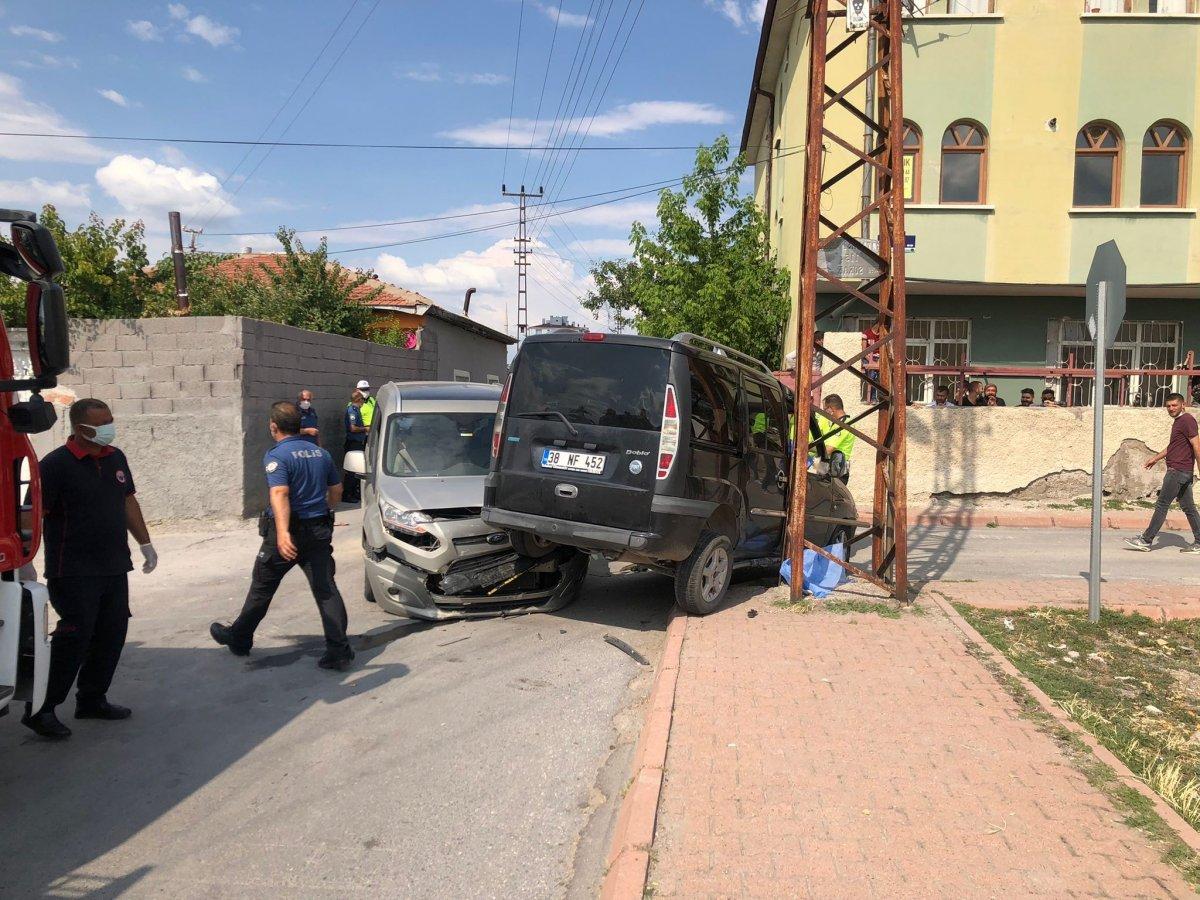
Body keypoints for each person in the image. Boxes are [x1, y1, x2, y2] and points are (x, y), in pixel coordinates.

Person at [22, 399, 157, 740]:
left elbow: (128, 500)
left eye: (111, 420)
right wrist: (22, 557)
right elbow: (30, 513)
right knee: (73, 639)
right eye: (103, 423)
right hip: (73, 570)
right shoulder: (55, 465)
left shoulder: (115, 457)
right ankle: (42, 709)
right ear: (82, 428)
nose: (110, 427)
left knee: (111, 634)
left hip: (113, 565)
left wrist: (145, 543)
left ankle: (92, 699)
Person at [210, 401, 354, 670]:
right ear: (300, 426)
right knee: (326, 590)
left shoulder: (277, 456)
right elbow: (336, 489)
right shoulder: (320, 454)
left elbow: (279, 493)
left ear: (273, 426)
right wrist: (325, 511)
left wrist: (283, 533)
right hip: (319, 530)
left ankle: (239, 638)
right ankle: (339, 651)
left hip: (288, 533)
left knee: (262, 588)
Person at [1125, 393, 1200, 553]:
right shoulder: (1179, 422)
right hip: (1182, 471)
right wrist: (1155, 458)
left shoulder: (1187, 420)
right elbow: (1173, 446)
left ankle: (1146, 540)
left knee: (1162, 505)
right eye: (1168, 406)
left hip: (1178, 471)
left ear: (1182, 405)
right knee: (1189, 508)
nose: (1171, 408)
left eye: (1174, 405)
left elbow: (1197, 446)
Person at [816, 394, 855, 483]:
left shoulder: (844, 424)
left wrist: (807, 448)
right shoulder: (836, 423)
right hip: (830, 468)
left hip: (837, 470)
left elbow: (828, 449)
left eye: (824, 409)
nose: (824, 413)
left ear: (830, 409)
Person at [343, 390, 368, 504]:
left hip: (358, 442)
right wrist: (365, 429)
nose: (363, 402)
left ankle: (354, 492)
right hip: (353, 443)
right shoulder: (352, 411)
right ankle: (347, 494)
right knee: (352, 470)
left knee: (357, 469)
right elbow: (353, 428)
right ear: (359, 400)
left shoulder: (357, 410)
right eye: (362, 400)